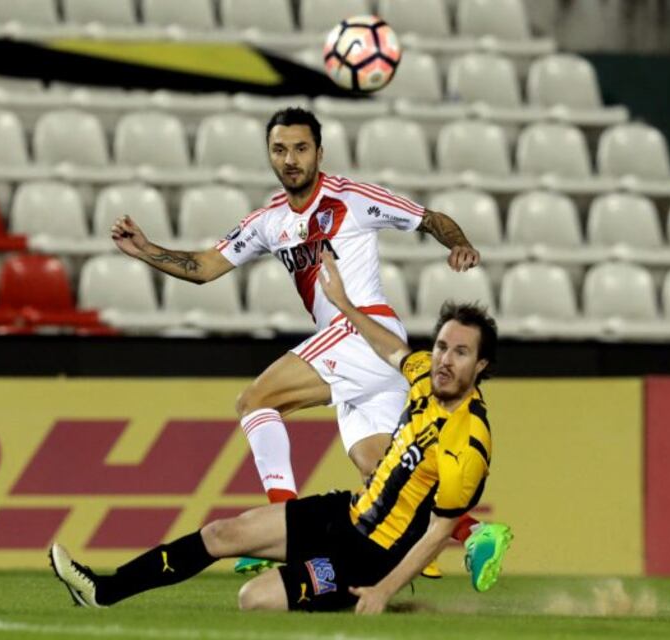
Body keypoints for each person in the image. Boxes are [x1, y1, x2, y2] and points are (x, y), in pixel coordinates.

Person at [110, 107, 486, 575]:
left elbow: (428, 218)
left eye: (300, 149)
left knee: (254, 402)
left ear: (319, 153)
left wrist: (459, 243)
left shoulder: (351, 198)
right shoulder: (269, 221)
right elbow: (206, 267)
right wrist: (146, 250)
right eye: (279, 149)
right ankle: (476, 532)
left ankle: (277, 522)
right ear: (270, 155)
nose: (290, 159)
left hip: (364, 330)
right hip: (364, 357)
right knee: (380, 471)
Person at [48, 251, 512, 613]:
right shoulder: (422, 376)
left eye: (460, 353)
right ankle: (103, 591)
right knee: (223, 533)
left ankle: (359, 599)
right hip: (346, 514)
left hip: (370, 558)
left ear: (482, 365)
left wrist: (383, 590)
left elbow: (438, 531)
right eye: (442, 347)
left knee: (255, 598)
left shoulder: (468, 440)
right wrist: (345, 303)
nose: (445, 360)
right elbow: (390, 346)